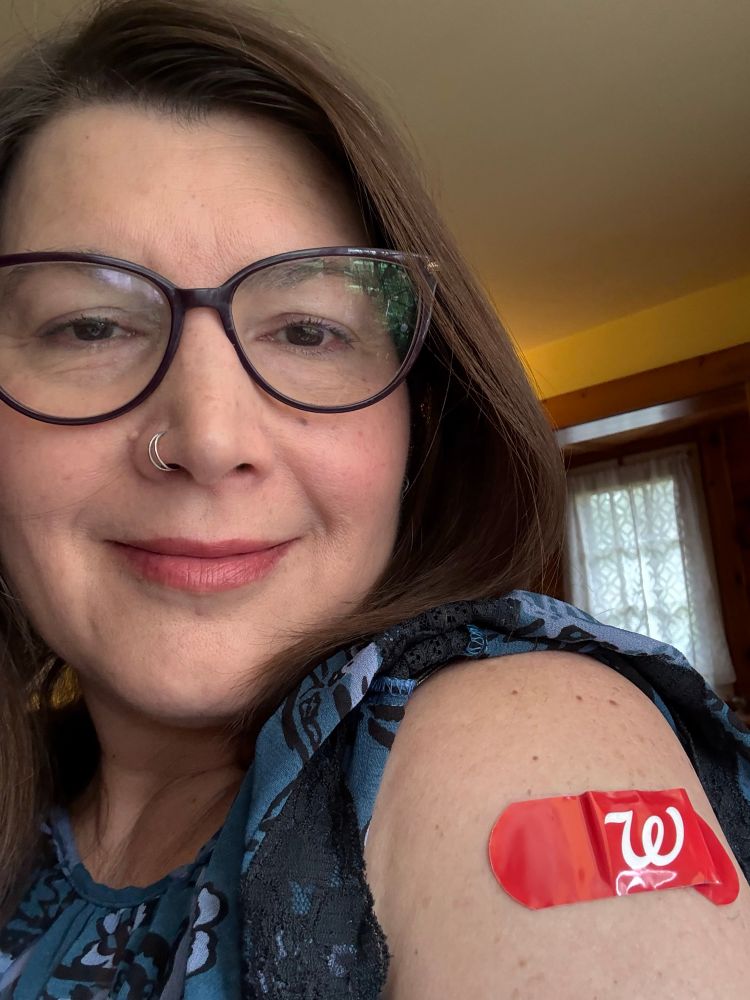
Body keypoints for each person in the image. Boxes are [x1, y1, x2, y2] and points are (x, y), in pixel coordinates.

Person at [0, 0, 747, 996]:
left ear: (415, 425)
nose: (212, 439)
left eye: (308, 332)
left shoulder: (517, 743)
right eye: (91, 327)